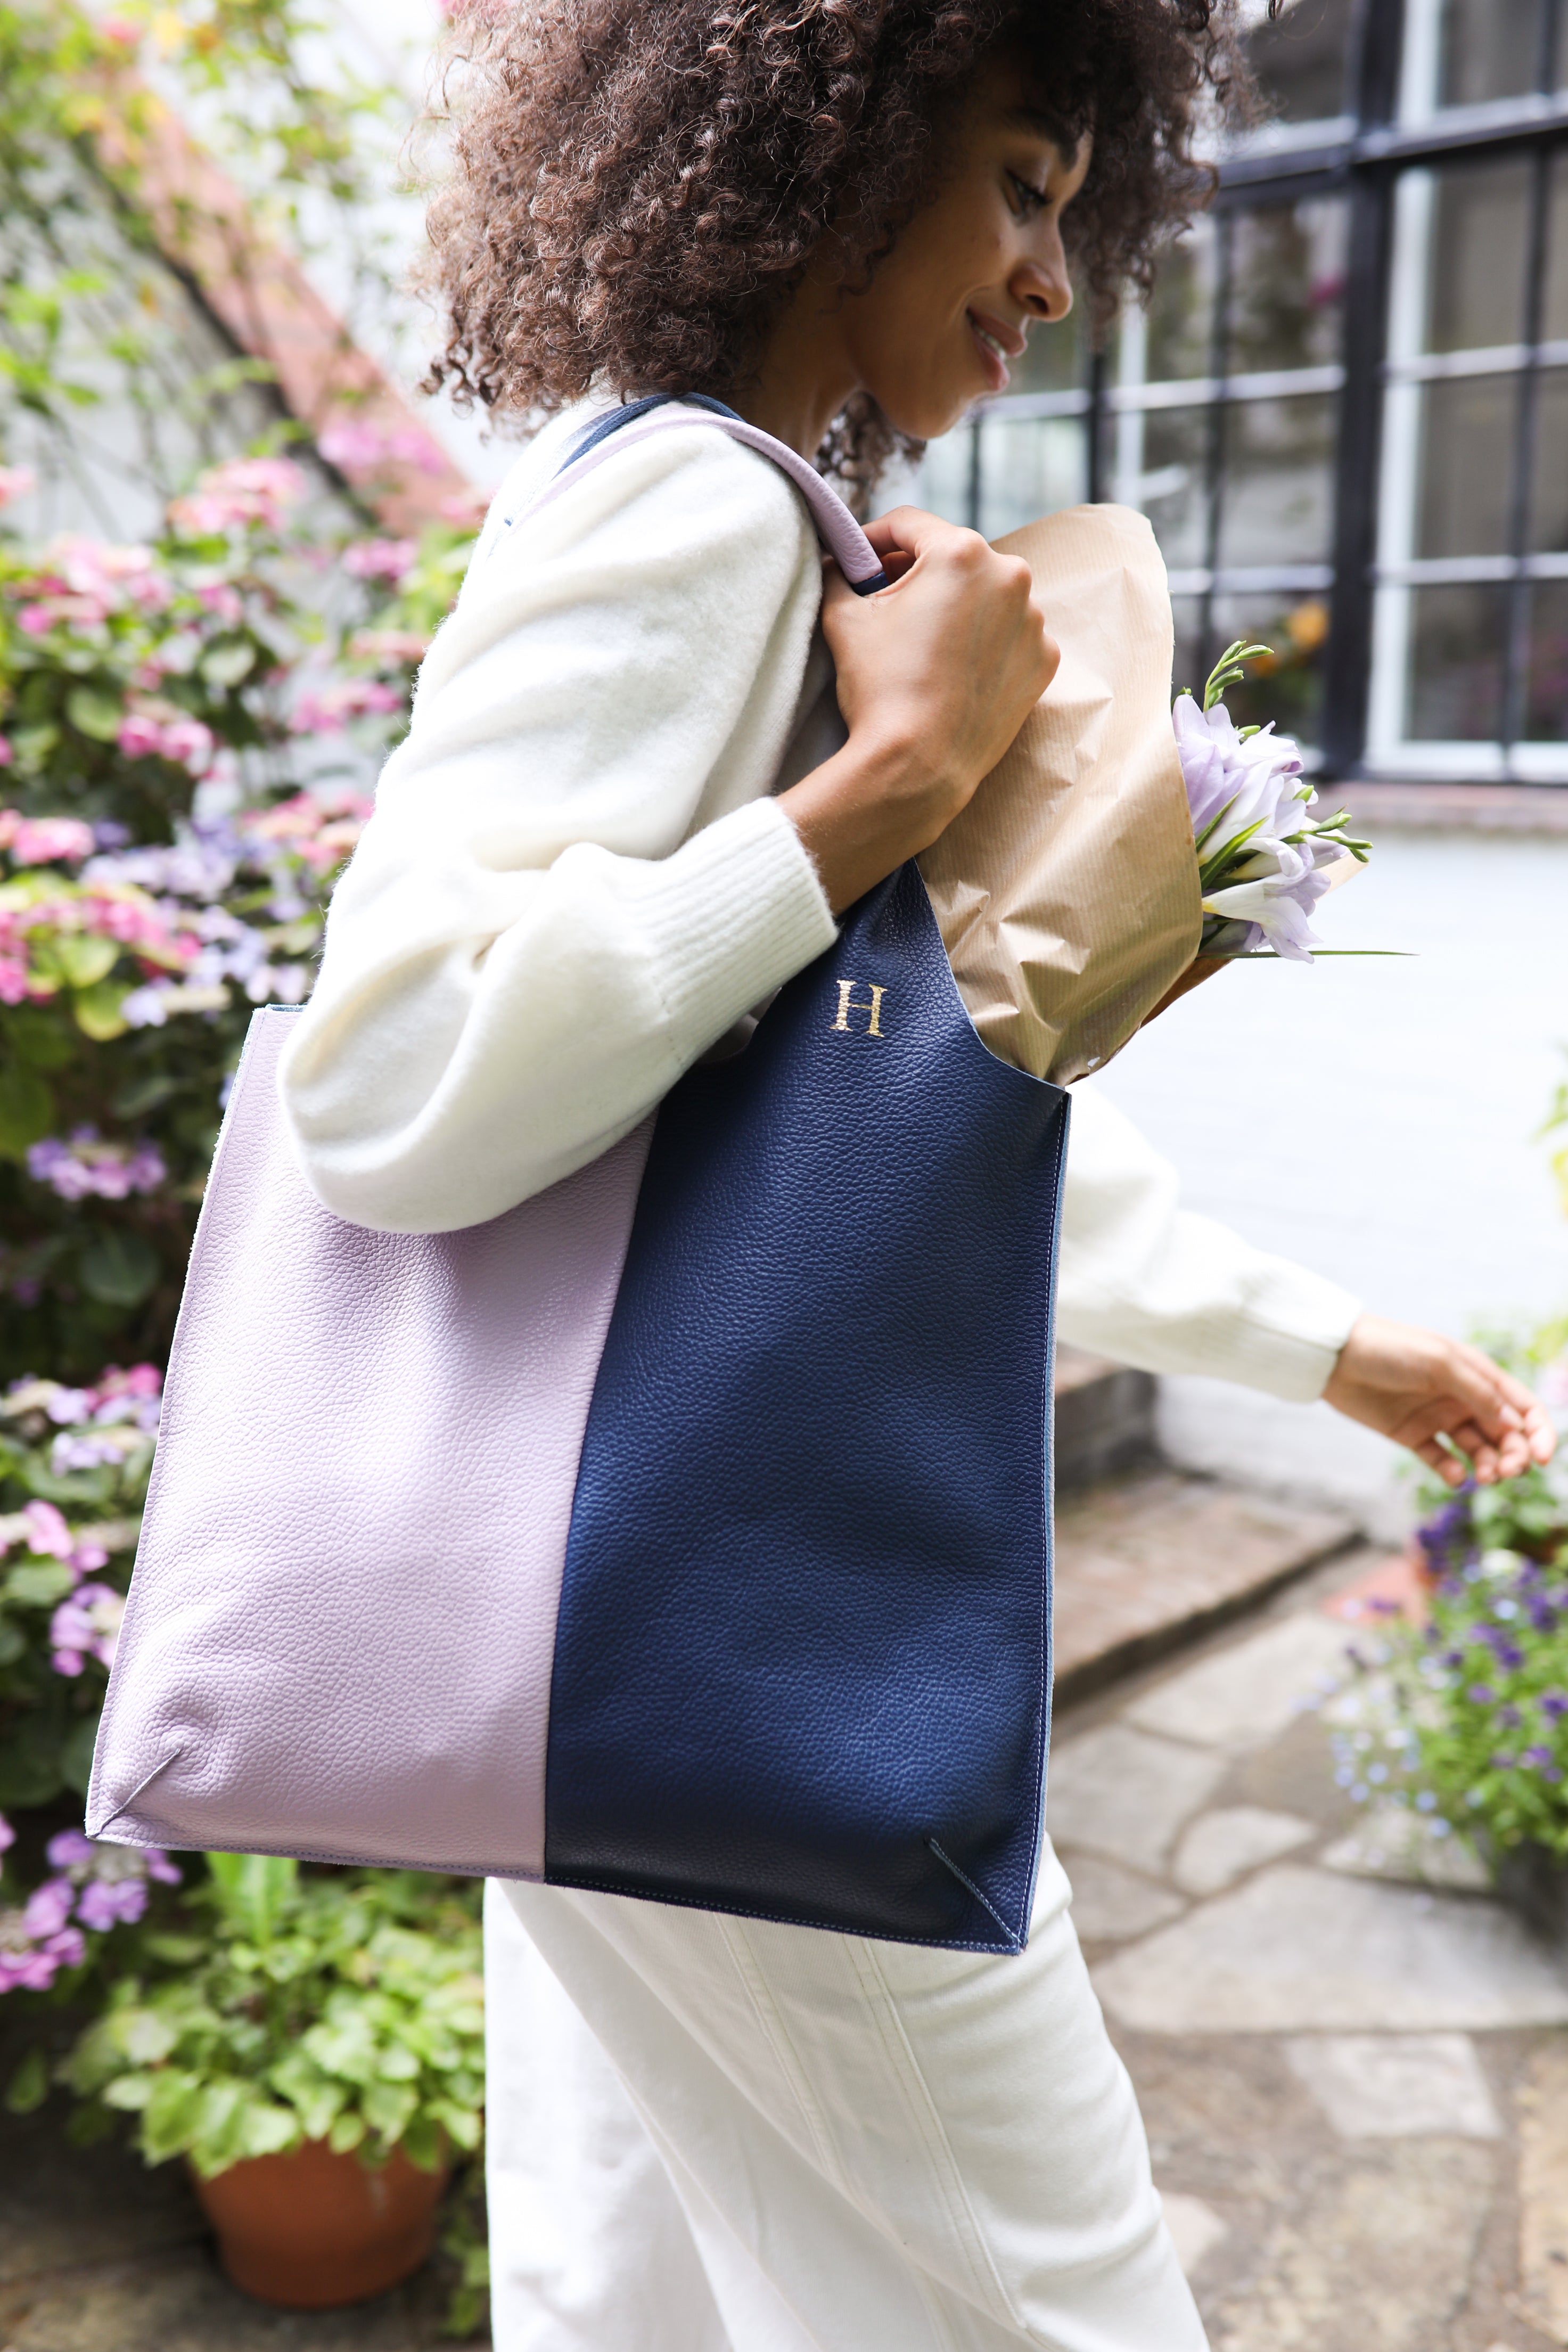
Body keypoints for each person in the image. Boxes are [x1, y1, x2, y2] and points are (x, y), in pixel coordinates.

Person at [278, 3, 1554, 2343]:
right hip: (732, 1623)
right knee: (1050, 2299)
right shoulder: (694, 504)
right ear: (839, 154)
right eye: (1023, 183)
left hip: (600, 1623)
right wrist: (880, 791)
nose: (1054, 275)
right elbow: (387, 1075)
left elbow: (860, 1117)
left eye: (1076, 203)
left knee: (632, 2278)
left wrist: (1307, 1340)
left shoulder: (749, 520)